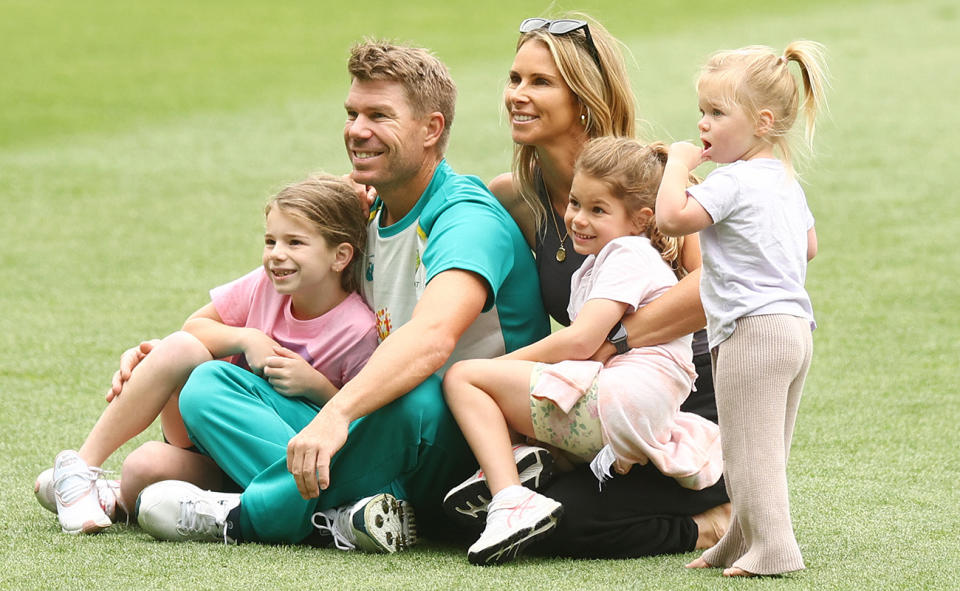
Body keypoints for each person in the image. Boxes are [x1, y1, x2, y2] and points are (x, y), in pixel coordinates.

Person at [132, 40, 549, 552]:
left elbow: (431, 340)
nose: (357, 130)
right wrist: (162, 353)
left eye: (379, 115)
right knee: (207, 382)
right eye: (352, 113)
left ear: (432, 129)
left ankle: (251, 515)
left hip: (464, 445)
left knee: (415, 396)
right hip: (373, 427)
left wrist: (336, 415)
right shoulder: (368, 210)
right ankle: (352, 514)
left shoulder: (466, 218)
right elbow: (238, 304)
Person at [450, 14, 731, 559]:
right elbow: (443, 217)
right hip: (603, 403)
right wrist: (368, 200)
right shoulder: (517, 199)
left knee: (566, 525)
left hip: (690, 408)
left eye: (539, 82)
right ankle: (549, 469)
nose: (517, 95)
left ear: (582, 98)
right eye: (514, 79)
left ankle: (714, 523)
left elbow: (715, 287)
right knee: (485, 514)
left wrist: (612, 341)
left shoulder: (651, 184)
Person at [33, 174, 378, 535]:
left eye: (295, 242)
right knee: (180, 347)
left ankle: (116, 498)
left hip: (280, 459)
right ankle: (80, 471)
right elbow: (193, 327)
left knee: (142, 467)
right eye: (270, 240)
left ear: (340, 256)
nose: (277, 254)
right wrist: (245, 338)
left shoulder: (357, 329)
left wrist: (317, 386)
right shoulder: (264, 285)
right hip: (209, 434)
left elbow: (365, 425)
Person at [655, 41, 827, 577]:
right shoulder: (778, 177)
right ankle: (739, 539)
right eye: (701, 112)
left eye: (716, 112)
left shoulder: (732, 180)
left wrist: (679, 165)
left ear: (763, 121)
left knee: (748, 456)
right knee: (764, 447)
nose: (703, 124)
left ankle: (775, 548)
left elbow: (670, 218)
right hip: (794, 327)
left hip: (750, 331)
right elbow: (808, 246)